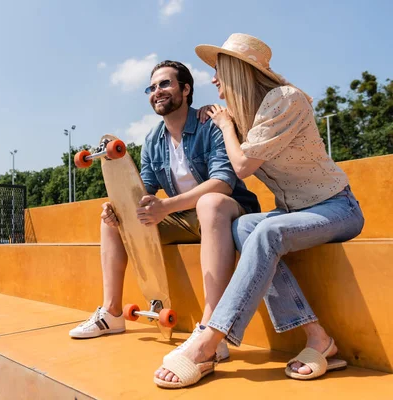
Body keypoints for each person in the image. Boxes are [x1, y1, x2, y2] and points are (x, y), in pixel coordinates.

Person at [154, 34, 365, 388]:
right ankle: (318, 338)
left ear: (240, 70)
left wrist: (224, 126)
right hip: (293, 212)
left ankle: (210, 341)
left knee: (267, 232)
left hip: (337, 207)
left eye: (219, 70)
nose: (213, 79)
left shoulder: (286, 100)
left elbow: (242, 166)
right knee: (243, 227)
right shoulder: (244, 114)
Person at [69, 60, 260, 363]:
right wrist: (118, 207)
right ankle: (112, 312)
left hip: (228, 210)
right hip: (185, 218)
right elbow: (141, 193)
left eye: (165, 84)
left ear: (185, 89)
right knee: (113, 222)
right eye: (152, 87)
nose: (157, 91)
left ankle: (212, 328)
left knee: (209, 203)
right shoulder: (151, 141)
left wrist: (166, 206)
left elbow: (223, 183)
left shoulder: (210, 124)